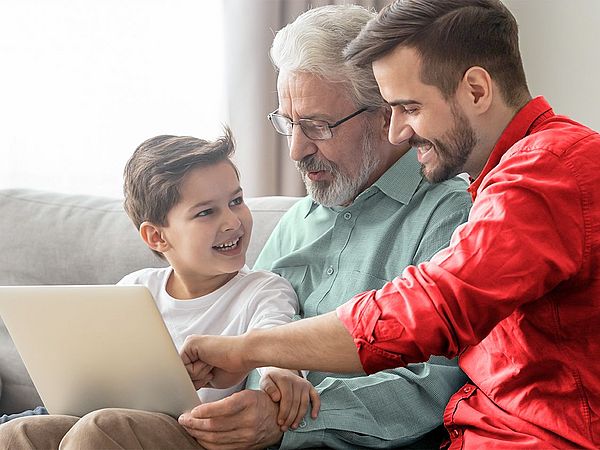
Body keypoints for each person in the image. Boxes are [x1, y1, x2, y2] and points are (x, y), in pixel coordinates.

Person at [178, 1, 600, 449]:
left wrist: (249, 349)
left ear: (476, 90)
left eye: (410, 108)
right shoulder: (516, 176)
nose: (397, 132)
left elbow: (428, 309)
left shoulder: (548, 169)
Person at [176, 5, 472, 450]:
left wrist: (290, 419)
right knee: (37, 431)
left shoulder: (449, 215)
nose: (296, 150)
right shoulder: (298, 220)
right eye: (288, 124)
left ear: (384, 116)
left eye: (317, 126)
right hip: (220, 434)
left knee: (98, 434)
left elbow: (436, 383)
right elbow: (251, 332)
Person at [0, 130, 319, 447]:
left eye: (235, 201)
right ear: (156, 237)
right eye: (206, 212)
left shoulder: (262, 290)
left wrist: (281, 370)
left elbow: (274, 336)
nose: (232, 221)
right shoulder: (135, 288)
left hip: (196, 435)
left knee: (102, 426)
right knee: (18, 432)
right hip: (124, 418)